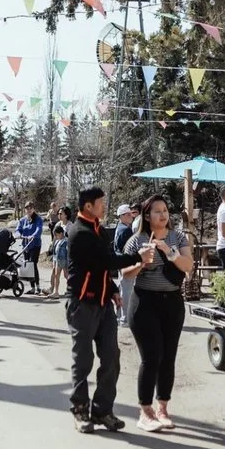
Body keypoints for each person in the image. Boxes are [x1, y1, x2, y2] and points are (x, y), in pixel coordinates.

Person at [66, 186, 155, 434]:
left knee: (111, 358)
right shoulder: (79, 232)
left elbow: (101, 270)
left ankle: (103, 410)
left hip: (103, 303)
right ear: (88, 207)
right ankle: (81, 410)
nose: (105, 207)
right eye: (101, 203)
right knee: (82, 361)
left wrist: (113, 289)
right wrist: (137, 257)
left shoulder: (98, 231)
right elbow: (104, 261)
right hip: (81, 304)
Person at [122, 195, 193, 432]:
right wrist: (141, 262)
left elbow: (188, 265)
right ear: (146, 216)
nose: (163, 215)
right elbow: (125, 273)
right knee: (152, 357)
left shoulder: (178, 236)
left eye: (165, 210)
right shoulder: (136, 240)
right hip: (145, 303)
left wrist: (170, 253)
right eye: (157, 211)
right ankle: (145, 411)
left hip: (172, 302)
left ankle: (163, 408)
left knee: (168, 357)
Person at [16, 201, 43, 294]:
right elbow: (18, 229)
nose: (29, 210)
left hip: (35, 244)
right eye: (27, 208)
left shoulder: (38, 219)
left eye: (30, 208)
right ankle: (32, 288)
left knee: (33, 264)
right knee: (27, 265)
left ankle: (38, 286)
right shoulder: (23, 220)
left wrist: (33, 235)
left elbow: (39, 229)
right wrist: (18, 234)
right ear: (25, 210)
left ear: (33, 209)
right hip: (25, 245)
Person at [114, 204, 135, 325]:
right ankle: (125, 317)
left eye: (131, 214)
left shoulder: (120, 227)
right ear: (121, 216)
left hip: (120, 262)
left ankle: (119, 315)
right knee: (126, 290)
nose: (130, 216)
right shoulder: (125, 230)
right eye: (127, 215)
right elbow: (126, 248)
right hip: (125, 262)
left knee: (122, 288)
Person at [46, 224, 68, 297]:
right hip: (57, 259)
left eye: (56, 234)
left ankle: (57, 292)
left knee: (64, 275)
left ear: (61, 233)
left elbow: (67, 252)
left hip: (62, 260)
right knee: (58, 275)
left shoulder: (65, 241)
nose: (55, 236)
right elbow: (55, 251)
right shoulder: (58, 241)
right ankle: (56, 292)